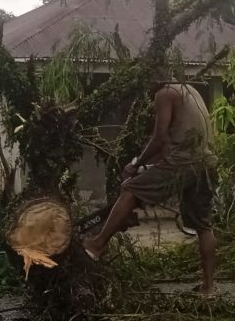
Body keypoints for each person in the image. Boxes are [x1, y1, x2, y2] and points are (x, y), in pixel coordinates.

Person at [82, 81, 217, 296]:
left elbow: (159, 138)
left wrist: (135, 164)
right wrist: (147, 167)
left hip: (184, 162)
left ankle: (97, 245)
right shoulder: (189, 90)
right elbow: (175, 140)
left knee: (130, 189)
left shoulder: (164, 93)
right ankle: (209, 287)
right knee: (203, 226)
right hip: (205, 162)